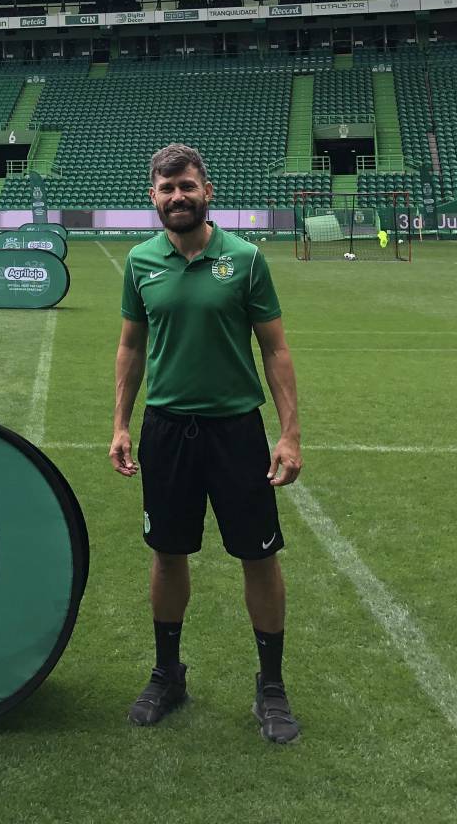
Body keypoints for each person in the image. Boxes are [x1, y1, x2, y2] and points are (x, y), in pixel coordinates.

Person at [110, 143, 303, 744]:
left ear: (207, 190)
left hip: (236, 430)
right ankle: (168, 675)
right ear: (153, 196)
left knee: (258, 554)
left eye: (187, 186)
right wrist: (120, 423)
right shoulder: (141, 262)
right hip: (166, 429)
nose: (177, 198)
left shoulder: (244, 260)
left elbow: (275, 348)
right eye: (166, 190)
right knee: (167, 553)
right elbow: (131, 348)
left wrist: (290, 434)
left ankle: (270, 685)